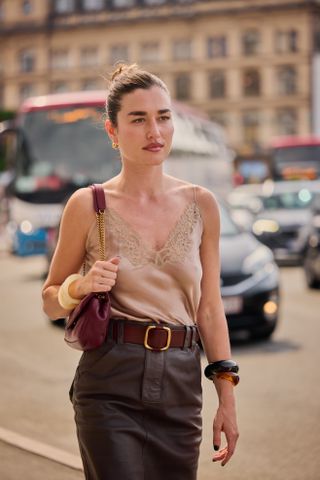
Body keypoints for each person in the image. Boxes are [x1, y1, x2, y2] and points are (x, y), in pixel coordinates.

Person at [42, 63, 239, 480]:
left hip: (182, 381)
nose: (156, 131)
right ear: (113, 132)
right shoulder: (87, 204)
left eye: (163, 117)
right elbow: (50, 298)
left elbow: (209, 308)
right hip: (110, 380)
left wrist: (227, 397)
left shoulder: (202, 204)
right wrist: (78, 286)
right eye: (139, 119)